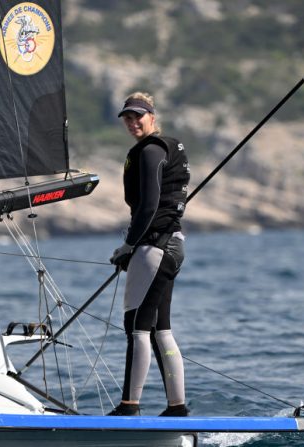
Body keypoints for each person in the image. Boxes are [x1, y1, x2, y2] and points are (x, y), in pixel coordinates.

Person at [108, 92, 190, 417]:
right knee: (160, 329)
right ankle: (177, 407)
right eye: (127, 117)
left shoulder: (151, 151)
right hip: (173, 245)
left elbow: (149, 204)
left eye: (138, 116)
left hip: (154, 246)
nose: (132, 122)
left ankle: (129, 406)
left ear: (152, 116)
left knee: (137, 327)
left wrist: (129, 245)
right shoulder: (163, 150)